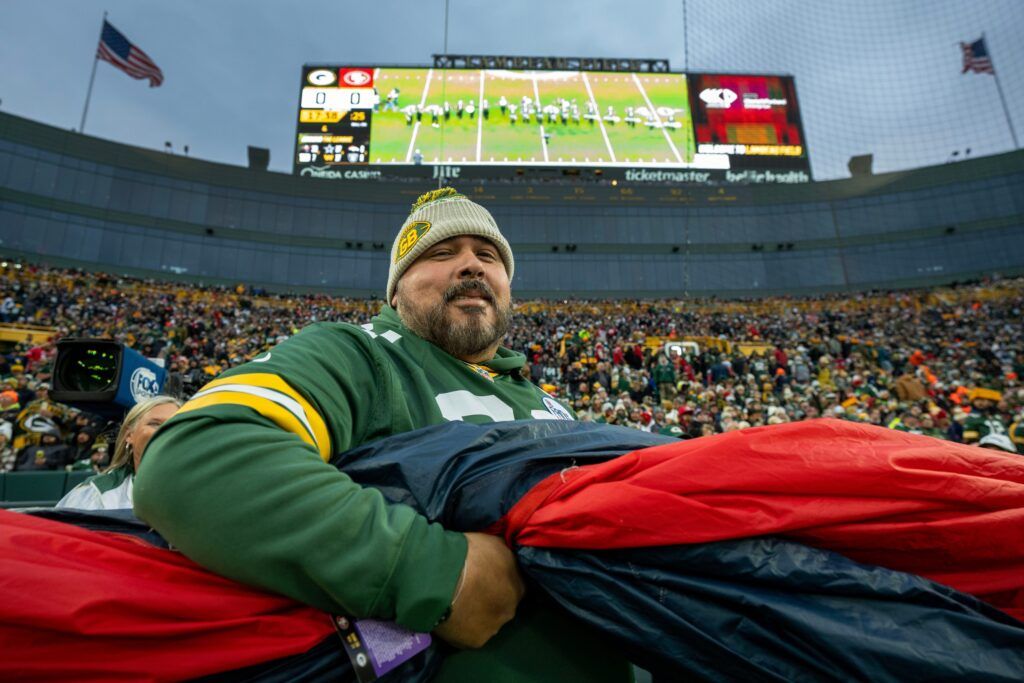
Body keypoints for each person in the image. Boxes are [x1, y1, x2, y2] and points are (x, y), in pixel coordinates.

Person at [135, 188, 628, 682]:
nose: (472, 266)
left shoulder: (551, 404)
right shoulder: (358, 355)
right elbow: (197, 456)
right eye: (441, 252)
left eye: (487, 255)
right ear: (396, 291)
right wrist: (433, 570)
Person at [56, 396, 181, 510]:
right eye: (154, 424)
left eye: (175, 425)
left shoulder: (199, 493)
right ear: (129, 435)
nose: (166, 430)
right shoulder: (97, 492)